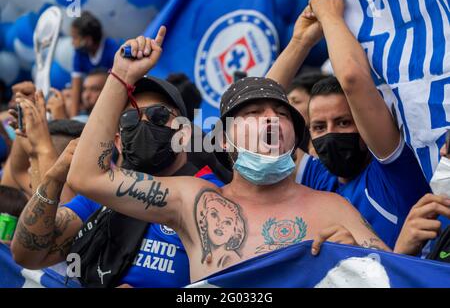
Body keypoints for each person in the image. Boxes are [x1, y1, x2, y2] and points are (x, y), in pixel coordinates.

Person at [67, 26, 389, 283]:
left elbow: (400, 276)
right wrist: (121, 77)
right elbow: (87, 175)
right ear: (222, 140)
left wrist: (361, 266)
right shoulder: (194, 203)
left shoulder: (333, 209)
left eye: (281, 112)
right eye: (252, 113)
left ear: (295, 139)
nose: (270, 119)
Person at [11, 76, 223, 288]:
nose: (143, 124)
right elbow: (28, 255)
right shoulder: (102, 192)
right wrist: (54, 176)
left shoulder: (212, 199)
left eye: (158, 115)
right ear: (118, 142)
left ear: (184, 133)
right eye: (130, 119)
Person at [266, 0, 430, 249]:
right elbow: (253, 122)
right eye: (319, 126)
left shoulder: (393, 172)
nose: (330, 134)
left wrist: (331, 16)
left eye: (343, 122)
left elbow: (353, 80)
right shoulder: (320, 178)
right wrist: (300, 42)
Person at [70, 11, 119, 118]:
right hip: (90, 100)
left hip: (110, 100)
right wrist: (73, 120)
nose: (72, 43)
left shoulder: (113, 50)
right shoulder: (79, 53)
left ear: (88, 40)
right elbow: (76, 87)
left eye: (75, 38)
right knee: (67, 96)